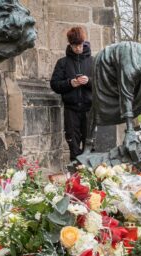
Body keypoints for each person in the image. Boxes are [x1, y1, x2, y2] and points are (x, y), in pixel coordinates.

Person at [50, 27, 93, 161]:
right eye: (74, 46)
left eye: (80, 45)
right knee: (73, 146)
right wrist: (70, 83)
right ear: (70, 44)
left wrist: (89, 81)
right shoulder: (62, 62)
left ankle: (90, 177)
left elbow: (102, 84)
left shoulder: (93, 61)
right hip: (71, 110)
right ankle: (76, 177)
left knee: (90, 145)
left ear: (84, 42)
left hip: (89, 109)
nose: (77, 49)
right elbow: (54, 84)